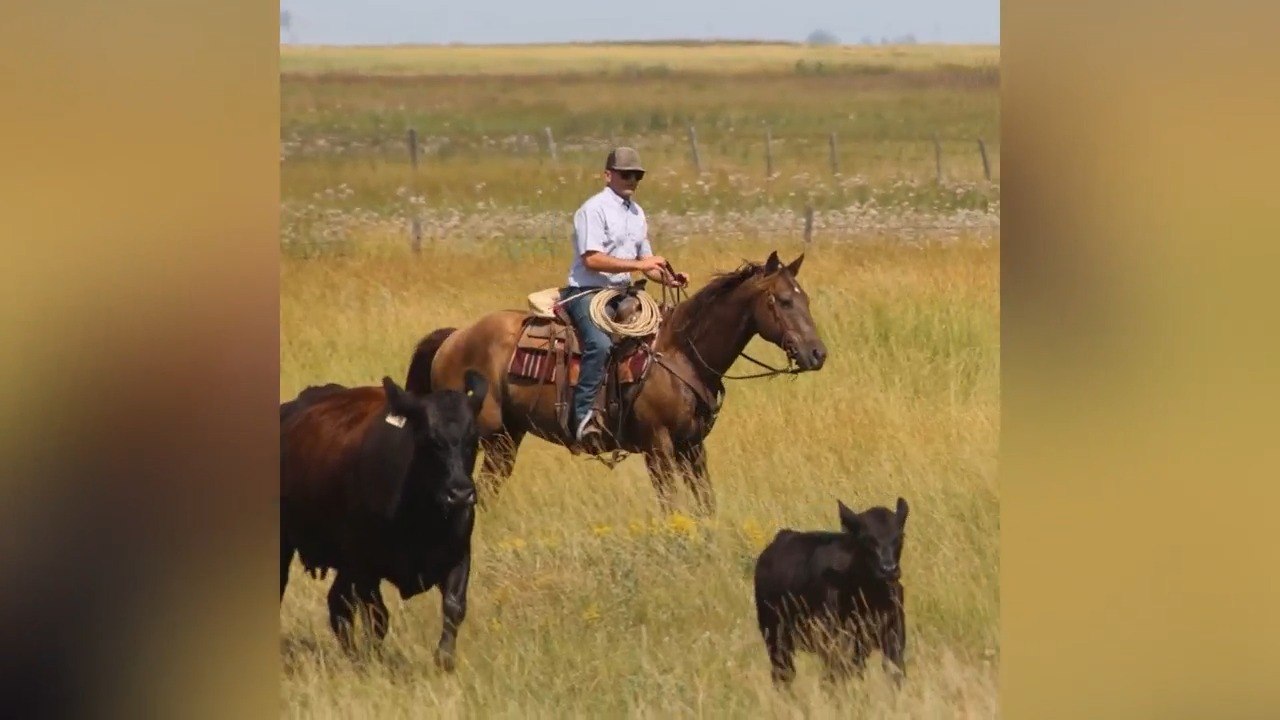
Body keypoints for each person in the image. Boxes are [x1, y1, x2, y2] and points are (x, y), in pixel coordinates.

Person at [560, 146, 688, 449]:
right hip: (587, 292)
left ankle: (634, 410)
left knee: (661, 336)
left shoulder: (636, 213)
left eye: (637, 175)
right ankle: (581, 417)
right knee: (599, 344)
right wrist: (640, 266)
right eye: (625, 174)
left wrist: (667, 276)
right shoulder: (593, 209)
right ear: (608, 175)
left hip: (622, 293)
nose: (631, 179)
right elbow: (592, 259)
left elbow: (646, 259)